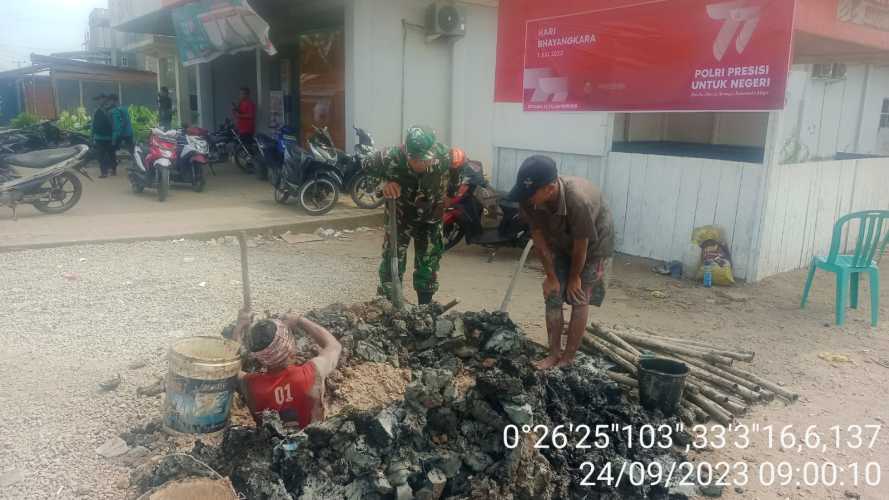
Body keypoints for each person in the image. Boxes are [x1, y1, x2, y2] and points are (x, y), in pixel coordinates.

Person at [507, 155, 615, 369]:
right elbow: (538, 236)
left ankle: (568, 358)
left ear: (549, 188)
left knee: (579, 296)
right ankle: (553, 354)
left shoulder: (578, 201)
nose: (526, 199)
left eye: (531, 194)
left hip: (593, 245)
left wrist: (574, 277)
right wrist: (551, 277)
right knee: (553, 294)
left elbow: (581, 245)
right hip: (559, 238)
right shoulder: (528, 198)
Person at [365, 125, 467, 305]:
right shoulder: (389, 157)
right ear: (406, 151)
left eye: (424, 159)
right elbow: (366, 170)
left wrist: (451, 193)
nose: (420, 164)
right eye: (415, 160)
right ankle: (389, 303)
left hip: (430, 218)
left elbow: (458, 170)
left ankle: (424, 307)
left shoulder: (445, 156)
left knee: (428, 261)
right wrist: (384, 184)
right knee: (393, 257)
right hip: (400, 216)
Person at [233, 310, 342, 429]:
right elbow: (334, 346)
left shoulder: (250, 386)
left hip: (271, 445)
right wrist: (300, 320)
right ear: (289, 346)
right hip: (312, 442)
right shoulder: (312, 373)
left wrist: (239, 328)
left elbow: (230, 369)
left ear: (259, 357)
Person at [109, 94, 134, 174]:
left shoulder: (115, 111)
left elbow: (117, 126)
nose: (109, 103)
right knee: (132, 151)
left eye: (110, 101)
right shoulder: (124, 109)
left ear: (113, 101)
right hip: (129, 133)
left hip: (120, 134)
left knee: (112, 150)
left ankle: (113, 169)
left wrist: (114, 138)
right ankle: (137, 167)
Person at [90, 94, 114, 178]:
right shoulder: (110, 110)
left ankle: (105, 172)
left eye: (100, 99)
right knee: (107, 154)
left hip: (101, 137)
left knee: (102, 155)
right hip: (105, 137)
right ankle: (108, 171)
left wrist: (91, 137)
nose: (99, 101)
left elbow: (93, 125)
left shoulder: (98, 111)